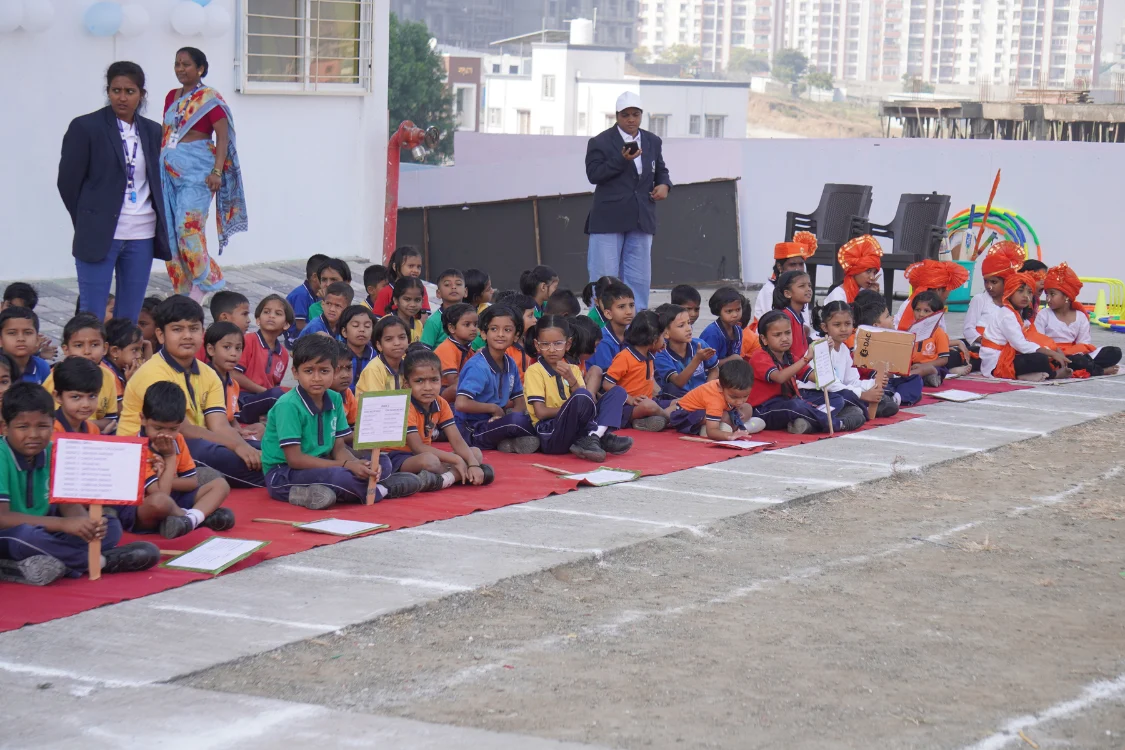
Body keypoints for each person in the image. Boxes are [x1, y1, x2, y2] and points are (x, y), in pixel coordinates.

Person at [0, 383, 159, 585]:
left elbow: (68, 504)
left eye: (42, 426)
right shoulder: (1, 454)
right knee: (23, 537)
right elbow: (3, 518)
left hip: (45, 530)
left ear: (52, 424)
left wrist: (85, 526)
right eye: (23, 427)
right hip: (11, 533)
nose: (33, 435)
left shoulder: (54, 451)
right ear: (5, 427)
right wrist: (64, 524)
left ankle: (56, 561)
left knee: (110, 526)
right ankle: (100, 562)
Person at [57, 61, 171, 324]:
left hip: (141, 233)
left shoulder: (153, 131)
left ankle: (121, 365)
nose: (122, 97)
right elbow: (68, 183)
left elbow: (157, 181)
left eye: (129, 91)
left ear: (141, 94)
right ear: (107, 91)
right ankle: (90, 365)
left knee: (128, 317)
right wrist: (89, 218)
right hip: (100, 234)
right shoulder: (86, 127)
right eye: (116, 90)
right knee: (92, 314)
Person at [118, 296, 264, 488]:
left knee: (266, 449)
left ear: (202, 333)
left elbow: (219, 425)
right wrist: (237, 446)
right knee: (217, 453)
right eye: (177, 329)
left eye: (193, 329)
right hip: (152, 450)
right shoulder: (153, 373)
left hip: (191, 443)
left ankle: (283, 473)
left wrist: (243, 446)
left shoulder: (208, 373)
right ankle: (283, 478)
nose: (187, 336)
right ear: (161, 335)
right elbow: (183, 429)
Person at [261, 336, 422, 510]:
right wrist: (347, 466)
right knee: (339, 476)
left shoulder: (335, 398)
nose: (316, 378)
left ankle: (325, 492)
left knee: (381, 462)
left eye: (324, 371)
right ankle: (382, 489)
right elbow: (295, 460)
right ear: (295, 372)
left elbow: (339, 449)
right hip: (283, 473)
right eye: (308, 371)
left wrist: (358, 466)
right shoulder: (288, 405)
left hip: (322, 463)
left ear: (334, 371)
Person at [161, 47, 247, 299]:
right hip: (168, 170)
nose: (180, 69)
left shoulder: (210, 98)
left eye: (186, 64)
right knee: (169, 233)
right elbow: (167, 132)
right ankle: (185, 290)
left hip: (198, 171)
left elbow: (223, 136)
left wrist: (217, 171)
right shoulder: (171, 96)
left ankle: (211, 281)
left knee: (187, 228)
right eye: (177, 64)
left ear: (200, 68)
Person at [585, 91, 672, 311]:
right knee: (605, 276)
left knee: (639, 276)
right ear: (617, 116)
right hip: (609, 219)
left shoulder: (652, 140)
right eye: (626, 115)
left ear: (642, 115)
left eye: (635, 114)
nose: (631, 119)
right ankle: (602, 321)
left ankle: (637, 321)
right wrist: (621, 160)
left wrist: (665, 185)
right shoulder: (601, 141)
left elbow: (660, 170)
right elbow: (594, 174)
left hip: (641, 217)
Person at [121, 381, 234, 538]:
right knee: (159, 502)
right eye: (158, 428)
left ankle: (189, 521)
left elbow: (191, 482)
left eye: (173, 429)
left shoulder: (178, 440)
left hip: (173, 495)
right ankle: (193, 516)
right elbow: (161, 494)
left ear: (180, 424)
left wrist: (163, 475)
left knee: (220, 484)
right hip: (144, 506)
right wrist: (170, 457)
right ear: (143, 419)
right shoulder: (136, 447)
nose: (166, 435)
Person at [382, 349, 496, 489]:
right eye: (419, 381)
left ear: (441, 381)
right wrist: (456, 459)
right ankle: (455, 476)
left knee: (475, 453)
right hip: (397, 456)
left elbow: (456, 440)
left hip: (426, 453)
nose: (428, 387)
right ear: (407, 384)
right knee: (430, 461)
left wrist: (472, 463)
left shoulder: (441, 403)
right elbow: (417, 447)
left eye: (434, 380)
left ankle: (442, 479)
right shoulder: (404, 404)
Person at [523, 316, 632, 461]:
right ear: (537, 345)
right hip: (551, 433)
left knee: (618, 392)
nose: (552, 349)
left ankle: (594, 436)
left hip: (575, 430)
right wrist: (570, 410)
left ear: (568, 344)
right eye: (545, 344)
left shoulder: (573, 369)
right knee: (581, 395)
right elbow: (541, 413)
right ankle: (599, 436)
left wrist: (572, 380)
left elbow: (585, 405)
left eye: (557, 344)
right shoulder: (534, 371)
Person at [750, 311, 863, 433]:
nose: (784, 338)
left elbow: (819, 378)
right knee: (795, 406)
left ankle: (808, 424)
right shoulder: (759, 356)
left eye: (788, 333)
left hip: (788, 403)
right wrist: (806, 359)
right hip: (764, 409)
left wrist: (825, 353)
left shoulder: (790, 357)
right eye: (777, 335)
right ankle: (838, 423)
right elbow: (779, 377)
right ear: (764, 339)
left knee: (837, 399)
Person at [454, 305, 539, 453]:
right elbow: (461, 403)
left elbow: (520, 401)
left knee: (534, 418)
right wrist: (494, 409)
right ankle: (512, 437)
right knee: (518, 423)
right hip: (472, 429)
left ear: (516, 336)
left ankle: (508, 442)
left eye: (507, 330)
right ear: (484, 333)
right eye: (494, 329)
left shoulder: (510, 363)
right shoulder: (478, 366)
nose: (500, 334)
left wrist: (508, 417)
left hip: (497, 421)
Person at [980, 272, 1070, 381]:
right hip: (996, 361)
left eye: (1030, 292)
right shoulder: (1006, 314)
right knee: (1039, 358)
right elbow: (1021, 345)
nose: (1026, 296)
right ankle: (1052, 375)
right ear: (1010, 292)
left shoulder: (1020, 314)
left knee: (1048, 357)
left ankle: (1027, 375)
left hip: (1011, 354)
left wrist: (1055, 349)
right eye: (1020, 291)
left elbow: (1034, 338)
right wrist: (1052, 353)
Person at [1035, 263, 1121, 376]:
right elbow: (1039, 341)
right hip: (1053, 355)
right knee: (1075, 361)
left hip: (1075, 354)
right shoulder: (1044, 315)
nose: (1048, 299)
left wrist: (1072, 352)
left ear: (1066, 296)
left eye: (1052, 294)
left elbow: (1084, 343)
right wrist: (1057, 353)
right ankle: (1099, 370)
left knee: (1114, 352)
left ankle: (1085, 366)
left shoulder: (1080, 316)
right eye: (1046, 294)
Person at [41, 315, 120, 433]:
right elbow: (50, 419)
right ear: (66, 350)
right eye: (79, 345)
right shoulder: (57, 377)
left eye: (94, 345)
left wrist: (91, 430)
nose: (87, 351)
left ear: (105, 348)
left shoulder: (108, 376)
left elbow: (111, 419)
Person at [818, 301, 897, 418]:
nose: (843, 329)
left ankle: (853, 412)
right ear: (825, 327)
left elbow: (852, 381)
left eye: (847, 324)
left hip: (842, 393)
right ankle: (828, 419)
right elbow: (830, 386)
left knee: (886, 402)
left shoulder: (844, 350)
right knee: (848, 404)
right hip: (820, 395)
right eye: (837, 325)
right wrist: (862, 395)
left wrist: (875, 383)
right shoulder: (821, 348)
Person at [604, 310, 674, 431]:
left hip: (650, 401)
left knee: (680, 402)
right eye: (663, 336)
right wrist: (630, 399)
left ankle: (645, 422)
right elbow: (607, 384)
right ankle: (669, 419)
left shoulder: (650, 354)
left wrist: (657, 347)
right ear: (654, 339)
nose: (665, 340)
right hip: (626, 407)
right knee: (649, 406)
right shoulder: (625, 357)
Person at [668, 359, 765, 439]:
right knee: (725, 417)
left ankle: (740, 429)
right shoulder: (714, 399)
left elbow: (738, 404)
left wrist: (738, 409)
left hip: (718, 412)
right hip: (686, 416)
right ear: (720, 387)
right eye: (734, 397)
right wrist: (730, 436)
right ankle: (736, 429)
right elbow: (711, 432)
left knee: (747, 407)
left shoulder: (729, 389)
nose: (740, 401)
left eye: (745, 396)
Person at [233, 294, 291, 424]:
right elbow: (234, 374)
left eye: (278, 313)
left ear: (286, 324)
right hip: (243, 398)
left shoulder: (284, 354)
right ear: (258, 320)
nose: (271, 316)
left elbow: (275, 384)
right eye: (266, 312)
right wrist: (266, 392)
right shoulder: (248, 340)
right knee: (278, 396)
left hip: (266, 398)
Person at [964, 241, 1023, 347]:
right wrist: (986, 343)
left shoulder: (1012, 303)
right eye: (986, 281)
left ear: (1006, 281)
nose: (988, 286)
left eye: (994, 282)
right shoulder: (979, 299)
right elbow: (968, 329)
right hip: (981, 348)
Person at [654, 303, 717, 399]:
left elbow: (714, 370)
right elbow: (678, 382)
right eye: (681, 325)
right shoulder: (661, 354)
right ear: (666, 333)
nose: (688, 329)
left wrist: (706, 391)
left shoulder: (699, 345)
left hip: (703, 395)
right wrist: (697, 359)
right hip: (678, 400)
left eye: (689, 323)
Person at [753, 232, 818, 321]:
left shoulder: (803, 289)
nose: (797, 269)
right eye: (792, 265)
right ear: (780, 267)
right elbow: (774, 324)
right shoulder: (769, 290)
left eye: (801, 264)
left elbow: (805, 324)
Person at [893, 259, 969, 332]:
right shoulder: (929, 307)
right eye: (948, 289)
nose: (949, 294)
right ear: (938, 290)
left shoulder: (910, 302)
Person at [434, 304, 478, 403]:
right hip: (440, 390)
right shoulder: (446, 348)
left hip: (456, 387)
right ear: (452, 328)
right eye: (467, 324)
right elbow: (453, 382)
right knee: (458, 388)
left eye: (475, 324)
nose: (473, 328)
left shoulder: (467, 348)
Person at [589, 281, 636, 373]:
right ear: (608, 314)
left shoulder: (632, 337)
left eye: (631, 305)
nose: (629, 311)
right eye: (621, 307)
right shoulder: (602, 341)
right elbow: (607, 378)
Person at [50, 357, 105, 435]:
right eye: (76, 397)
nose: (86, 405)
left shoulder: (93, 430)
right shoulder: (49, 430)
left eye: (92, 396)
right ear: (58, 396)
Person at [356, 317, 410, 394]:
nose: (397, 343)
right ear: (379, 345)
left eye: (402, 337)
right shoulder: (374, 369)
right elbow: (377, 403)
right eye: (389, 339)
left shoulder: (408, 365)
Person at [771, 270, 816, 362]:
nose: (808, 289)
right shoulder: (785, 317)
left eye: (809, 285)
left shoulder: (796, 314)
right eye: (802, 286)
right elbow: (792, 353)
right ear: (787, 293)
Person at [373, 246, 431, 316]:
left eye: (418, 267)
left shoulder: (421, 288)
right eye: (411, 266)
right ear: (395, 267)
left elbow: (423, 315)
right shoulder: (385, 292)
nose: (416, 270)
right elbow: (378, 319)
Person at [826, 235, 883, 305]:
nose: (872, 277)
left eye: (874, 273)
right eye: (868, 271)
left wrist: (872, 295)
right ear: (855, 271)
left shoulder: (864, 291)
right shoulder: (838, 296)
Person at [103, 318, 144, 413]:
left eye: (141, 350)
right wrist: (131, 383)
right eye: (134, 350)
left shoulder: (120, 368)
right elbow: (120, 411)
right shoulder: (109, 374)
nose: (139, 355)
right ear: (115, 351)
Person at [0, 308, 50, 385]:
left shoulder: (41, 367)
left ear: (37, 338)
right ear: (1, 339)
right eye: (12, 333)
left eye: (28, 333)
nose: (21, 339)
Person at [286, 254, 329, 339]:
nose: (328, 283)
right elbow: (300, 325)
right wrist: (320, 330)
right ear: (315, 277)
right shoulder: (301, 295)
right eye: (325, 279)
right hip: (296, 338)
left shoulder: (318, 293)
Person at [421, 269, 467, 347]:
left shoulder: (471, 317)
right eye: (447, 285)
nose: (453, 287)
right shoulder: (433, 322)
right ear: (438, 293)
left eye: (458, 284)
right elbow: (425, 351)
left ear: (465, 292)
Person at [305, 258, 352, 322]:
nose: (328, 284)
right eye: (324, 279)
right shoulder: (315, 309)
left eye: (333, 279)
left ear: (347, 283)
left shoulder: (353, 310)